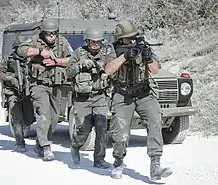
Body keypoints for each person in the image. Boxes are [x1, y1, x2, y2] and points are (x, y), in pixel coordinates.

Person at [104, 20, 172, 180]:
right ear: (121, 39)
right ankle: (118, 161)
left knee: (155, 122)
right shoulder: (113, 49)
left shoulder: (144, 46)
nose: (132, 40)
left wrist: (148, 58)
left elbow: (155, 71)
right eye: (128, 38)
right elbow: (108, 69)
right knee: (120, 134)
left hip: (144, 93)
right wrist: (125, 56)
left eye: (133, 37)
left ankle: (155, 166)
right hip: (122, 95)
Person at [16, 19, 73, 161]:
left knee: (53, 119)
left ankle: (39, 144)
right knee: (43, 114)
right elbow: (21, 50)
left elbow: (72, 59)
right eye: (49, 34)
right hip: (38, 85)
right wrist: (41, 52)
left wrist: (57, 62)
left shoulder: (63, 42)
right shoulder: (35, 41)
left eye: (54, 33)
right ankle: (46, 147)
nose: (52, 36)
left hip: (55, 85)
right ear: (43, 33)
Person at [66, 26, 116, 168]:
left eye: (98, 42)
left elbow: (111, 68)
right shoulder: (78, 53)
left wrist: (98, 65)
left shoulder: (107, 54)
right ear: (87, 42)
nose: (95, 44)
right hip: (82, 99)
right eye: (92, 42)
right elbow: (68, 73)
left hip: (100, 97)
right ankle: (75, 145)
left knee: (102, 128)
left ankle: (99, 159)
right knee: (84, 129)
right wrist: (79, 65)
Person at [0, 41, 33, 152]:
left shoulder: (31, 60)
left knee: (28, 119)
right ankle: (20, 142)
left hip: (28, 94)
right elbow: (0, 73)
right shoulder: (9, 60)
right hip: (13, 93)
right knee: (17, 118)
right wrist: (11, 78)